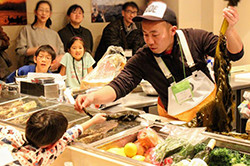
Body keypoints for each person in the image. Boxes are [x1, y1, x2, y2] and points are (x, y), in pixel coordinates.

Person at [75, 1, 243, 119]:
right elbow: (119, 86)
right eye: (145, 34)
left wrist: (231, 29)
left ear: (173, 30)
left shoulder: (196, 38)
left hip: (212, 115)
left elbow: (233, 54)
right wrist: (92, 97)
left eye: (155, 34)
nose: (149, 41)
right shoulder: (143, 58)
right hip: (176, 123)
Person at [0, 109, 106, 165]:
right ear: (51, 144)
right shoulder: (42, 156)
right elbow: (69, 136)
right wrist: (93, 120)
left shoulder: (10, 133)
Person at [15, 0, 64, 72]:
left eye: (47, 11)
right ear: (35, 12)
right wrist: (39, 49)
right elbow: (20, 51)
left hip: (51, 72)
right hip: (32, 70)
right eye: (41, 10)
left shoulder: (54, 34)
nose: (43, 13)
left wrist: (59, 60)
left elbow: (62, 53)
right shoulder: (27, 30)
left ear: (50, 14)